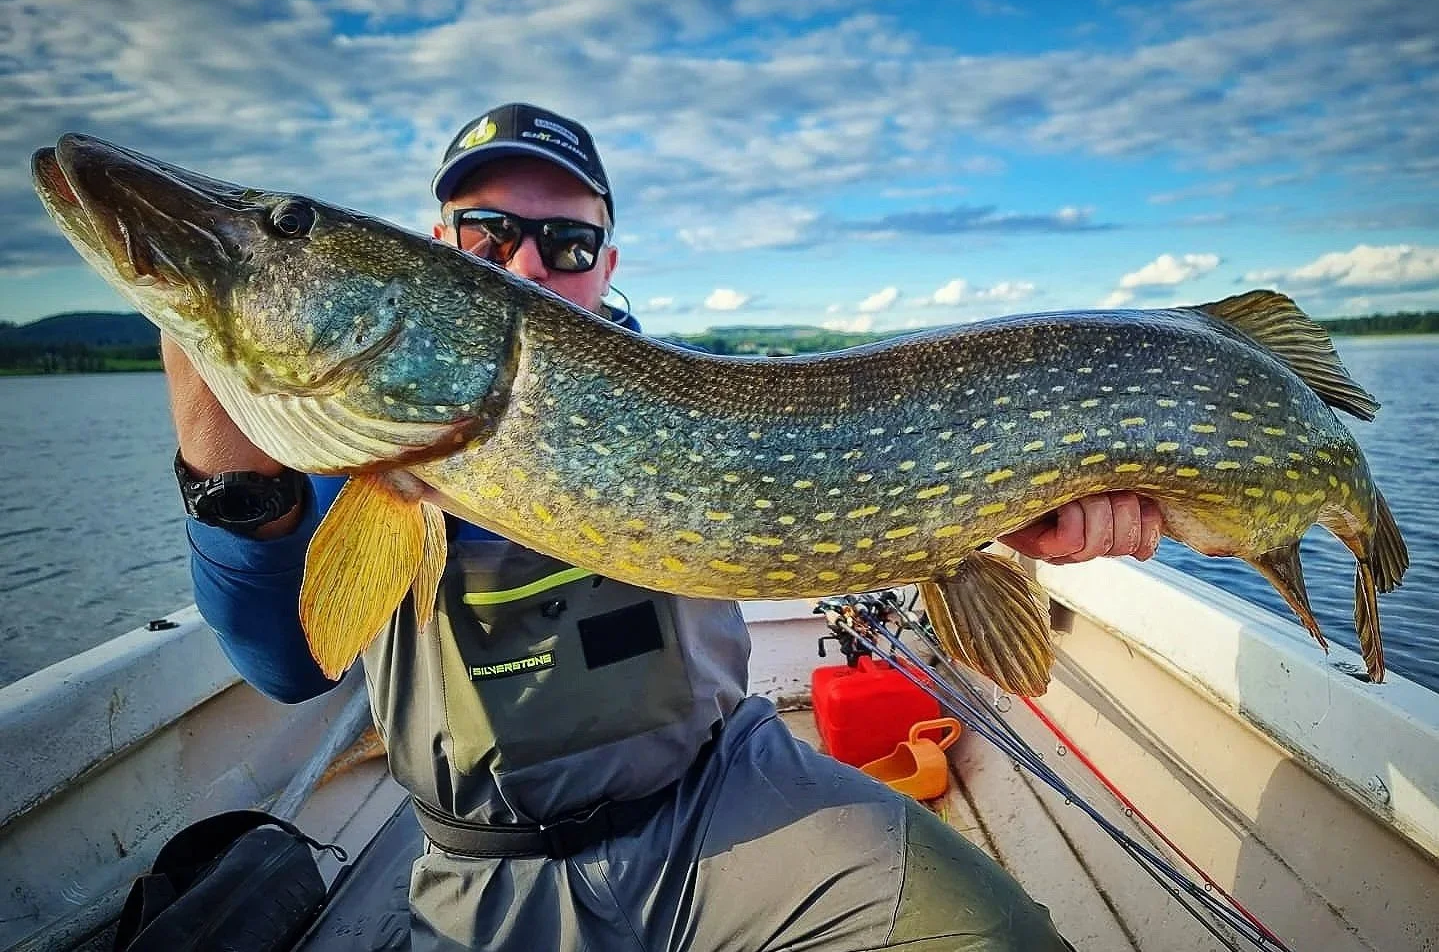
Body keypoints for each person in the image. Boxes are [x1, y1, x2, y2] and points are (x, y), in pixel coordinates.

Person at [164, 102, 1163, 950]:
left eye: (566, 242)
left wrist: (1019, 510)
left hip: (729, 792)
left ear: (606, 259)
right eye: (486, 234)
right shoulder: (359, 436)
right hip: (491, 865)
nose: (527, 263)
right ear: (441, 250)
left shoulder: (704, 390)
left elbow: (929, 476)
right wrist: (224, 470)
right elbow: (289, 664)